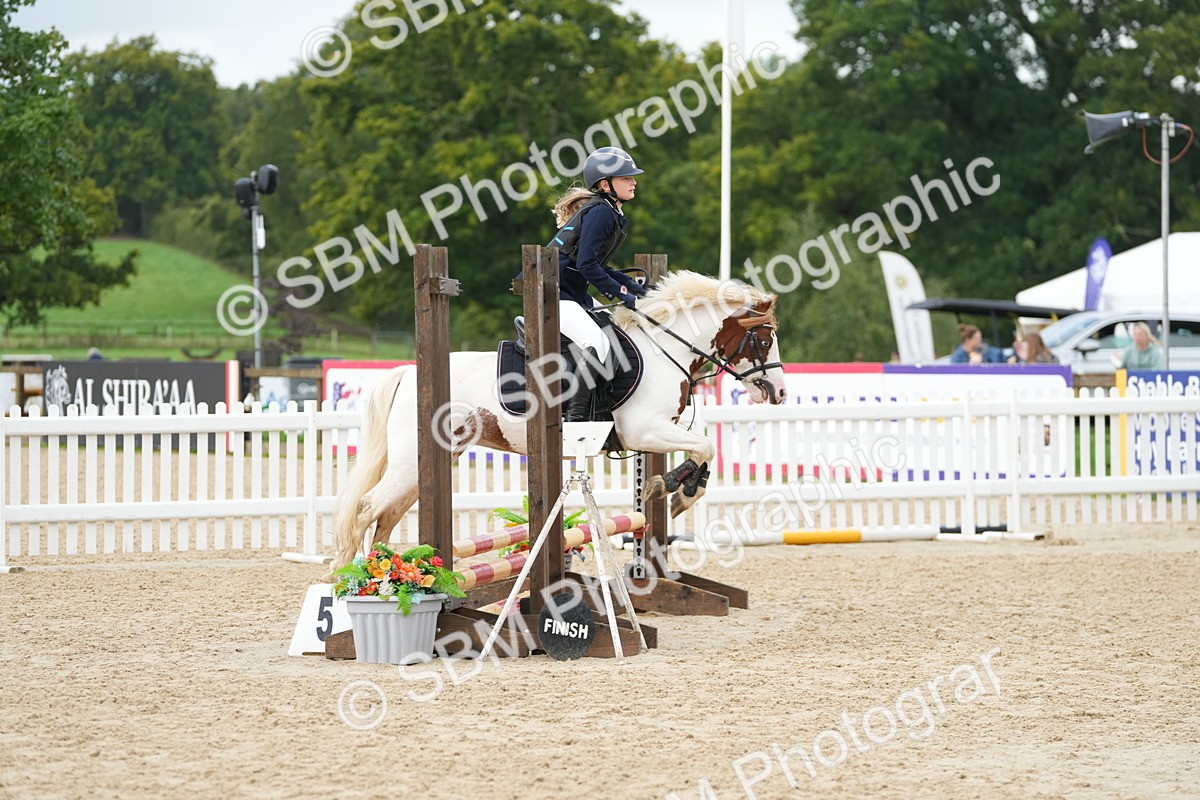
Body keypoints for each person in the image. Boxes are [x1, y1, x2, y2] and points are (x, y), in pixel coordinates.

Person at [548, 146, 648, 421]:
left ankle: (601, 404)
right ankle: (576, 416)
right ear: (605, 185)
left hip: (572, 292)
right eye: (626, 177)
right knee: (597, 343)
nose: (633, 181)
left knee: (614, 334)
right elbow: (586, 265)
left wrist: (631, 285)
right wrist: (619, 292)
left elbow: (596, 264)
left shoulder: (608, 211)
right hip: (552, 294)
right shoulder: (601, 212)